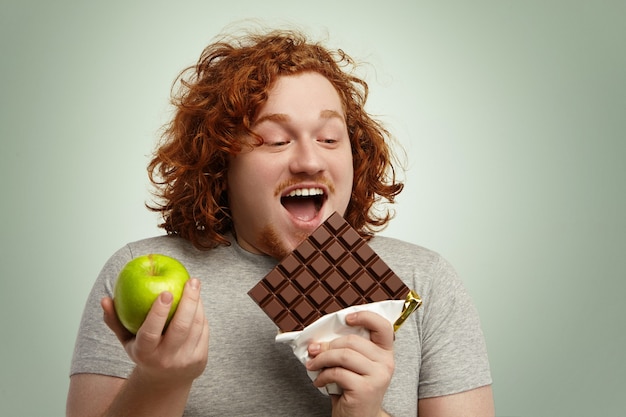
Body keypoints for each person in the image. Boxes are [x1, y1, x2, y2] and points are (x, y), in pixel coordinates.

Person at [67, 28, 494, 417]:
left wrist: (364, 412)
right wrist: (160, 382)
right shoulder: (137, 270)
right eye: (275, 140)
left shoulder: (427, 279)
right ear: (221, 163)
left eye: (330, 138)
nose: (310, 160)